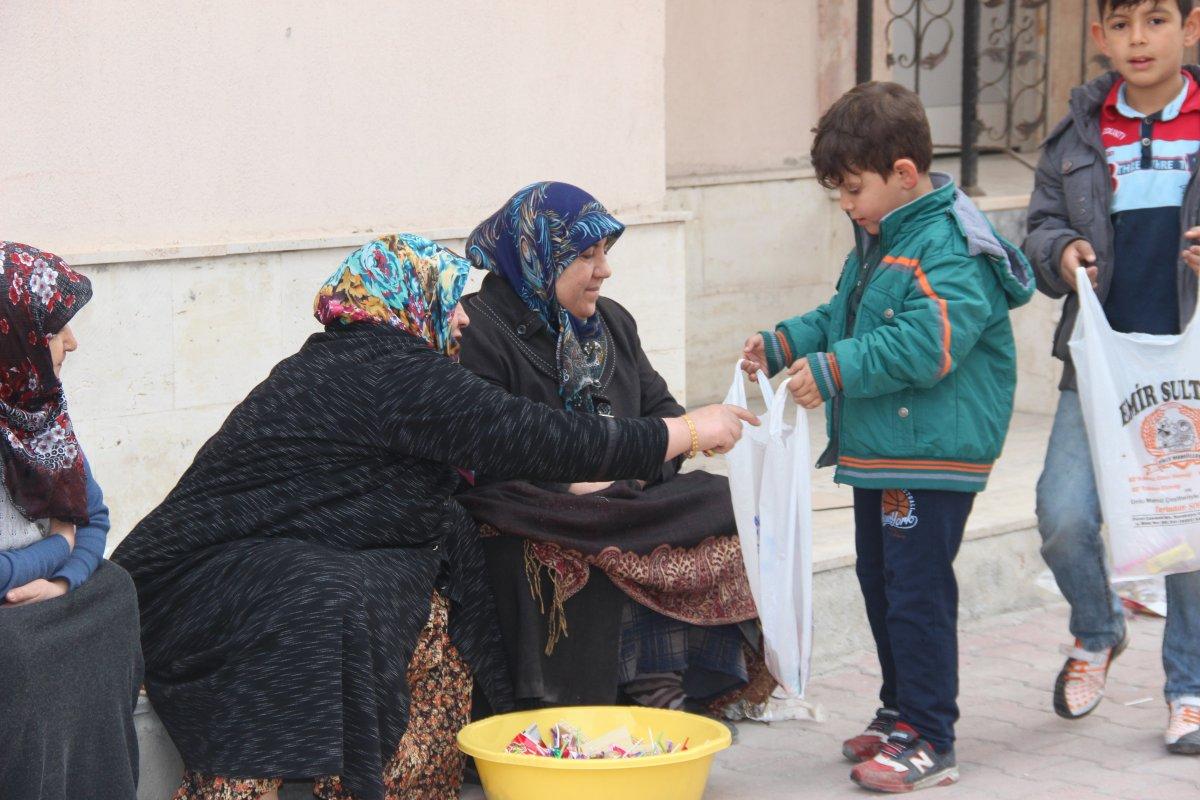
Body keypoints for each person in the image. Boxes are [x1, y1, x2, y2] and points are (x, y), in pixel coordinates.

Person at [111, 233, 753, 800]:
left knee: (397, 581)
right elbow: (539, 437)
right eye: (448, 299)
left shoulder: (364, 359)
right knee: (327, 593)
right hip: (189, 572)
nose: (464, 322)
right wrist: (686, 432)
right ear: (407, 302)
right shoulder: (386, 368)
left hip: (263, 547)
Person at [742, 83, 1035, 792]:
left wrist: (834, 371)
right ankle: (900, 710)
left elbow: (926, 342)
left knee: (916, 591)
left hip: (931, 454)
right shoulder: (884, 236)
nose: (846, 204)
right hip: (886, 449)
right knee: (881, 583)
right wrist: (784, 343)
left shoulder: (953, 245)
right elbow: (844, 315)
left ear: (903, 174)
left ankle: (932, 736)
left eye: (852, 189)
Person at [456, 181, 764, 717]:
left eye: (605, 253)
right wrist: (570, 484)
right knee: (566, 540)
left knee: (721, 501)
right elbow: (486, 453)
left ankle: (658, 677)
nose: (604, 270)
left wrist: (636, 469)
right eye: (585, 255)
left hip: (624, 492)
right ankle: (615, 692)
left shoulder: (613, 322)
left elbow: (664, 412)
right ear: (538, 256)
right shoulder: (478, 329)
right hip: (536, 504)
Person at [1023, 0, 1200, 756]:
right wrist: (1061, 252)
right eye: (1122, 23)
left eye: (1156, 20)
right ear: (1099, 36)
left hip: (1189, 367)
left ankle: (1189, 688)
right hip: (1099, 367)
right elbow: (1037, 226)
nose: (1138, 39)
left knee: (1185, 527)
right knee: (1062, 515)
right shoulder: (1077, 135)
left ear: (1191, 27)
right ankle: (1098, 630)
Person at [0, 241, 143, 799]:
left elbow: (95, 516)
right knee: (20, 653)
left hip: (35, 595)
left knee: (117, 590)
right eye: (57, 329)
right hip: (11, 617)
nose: (72, 343)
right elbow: (68, 533)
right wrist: (56, 550)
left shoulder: (38, 412)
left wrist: (60, 579)